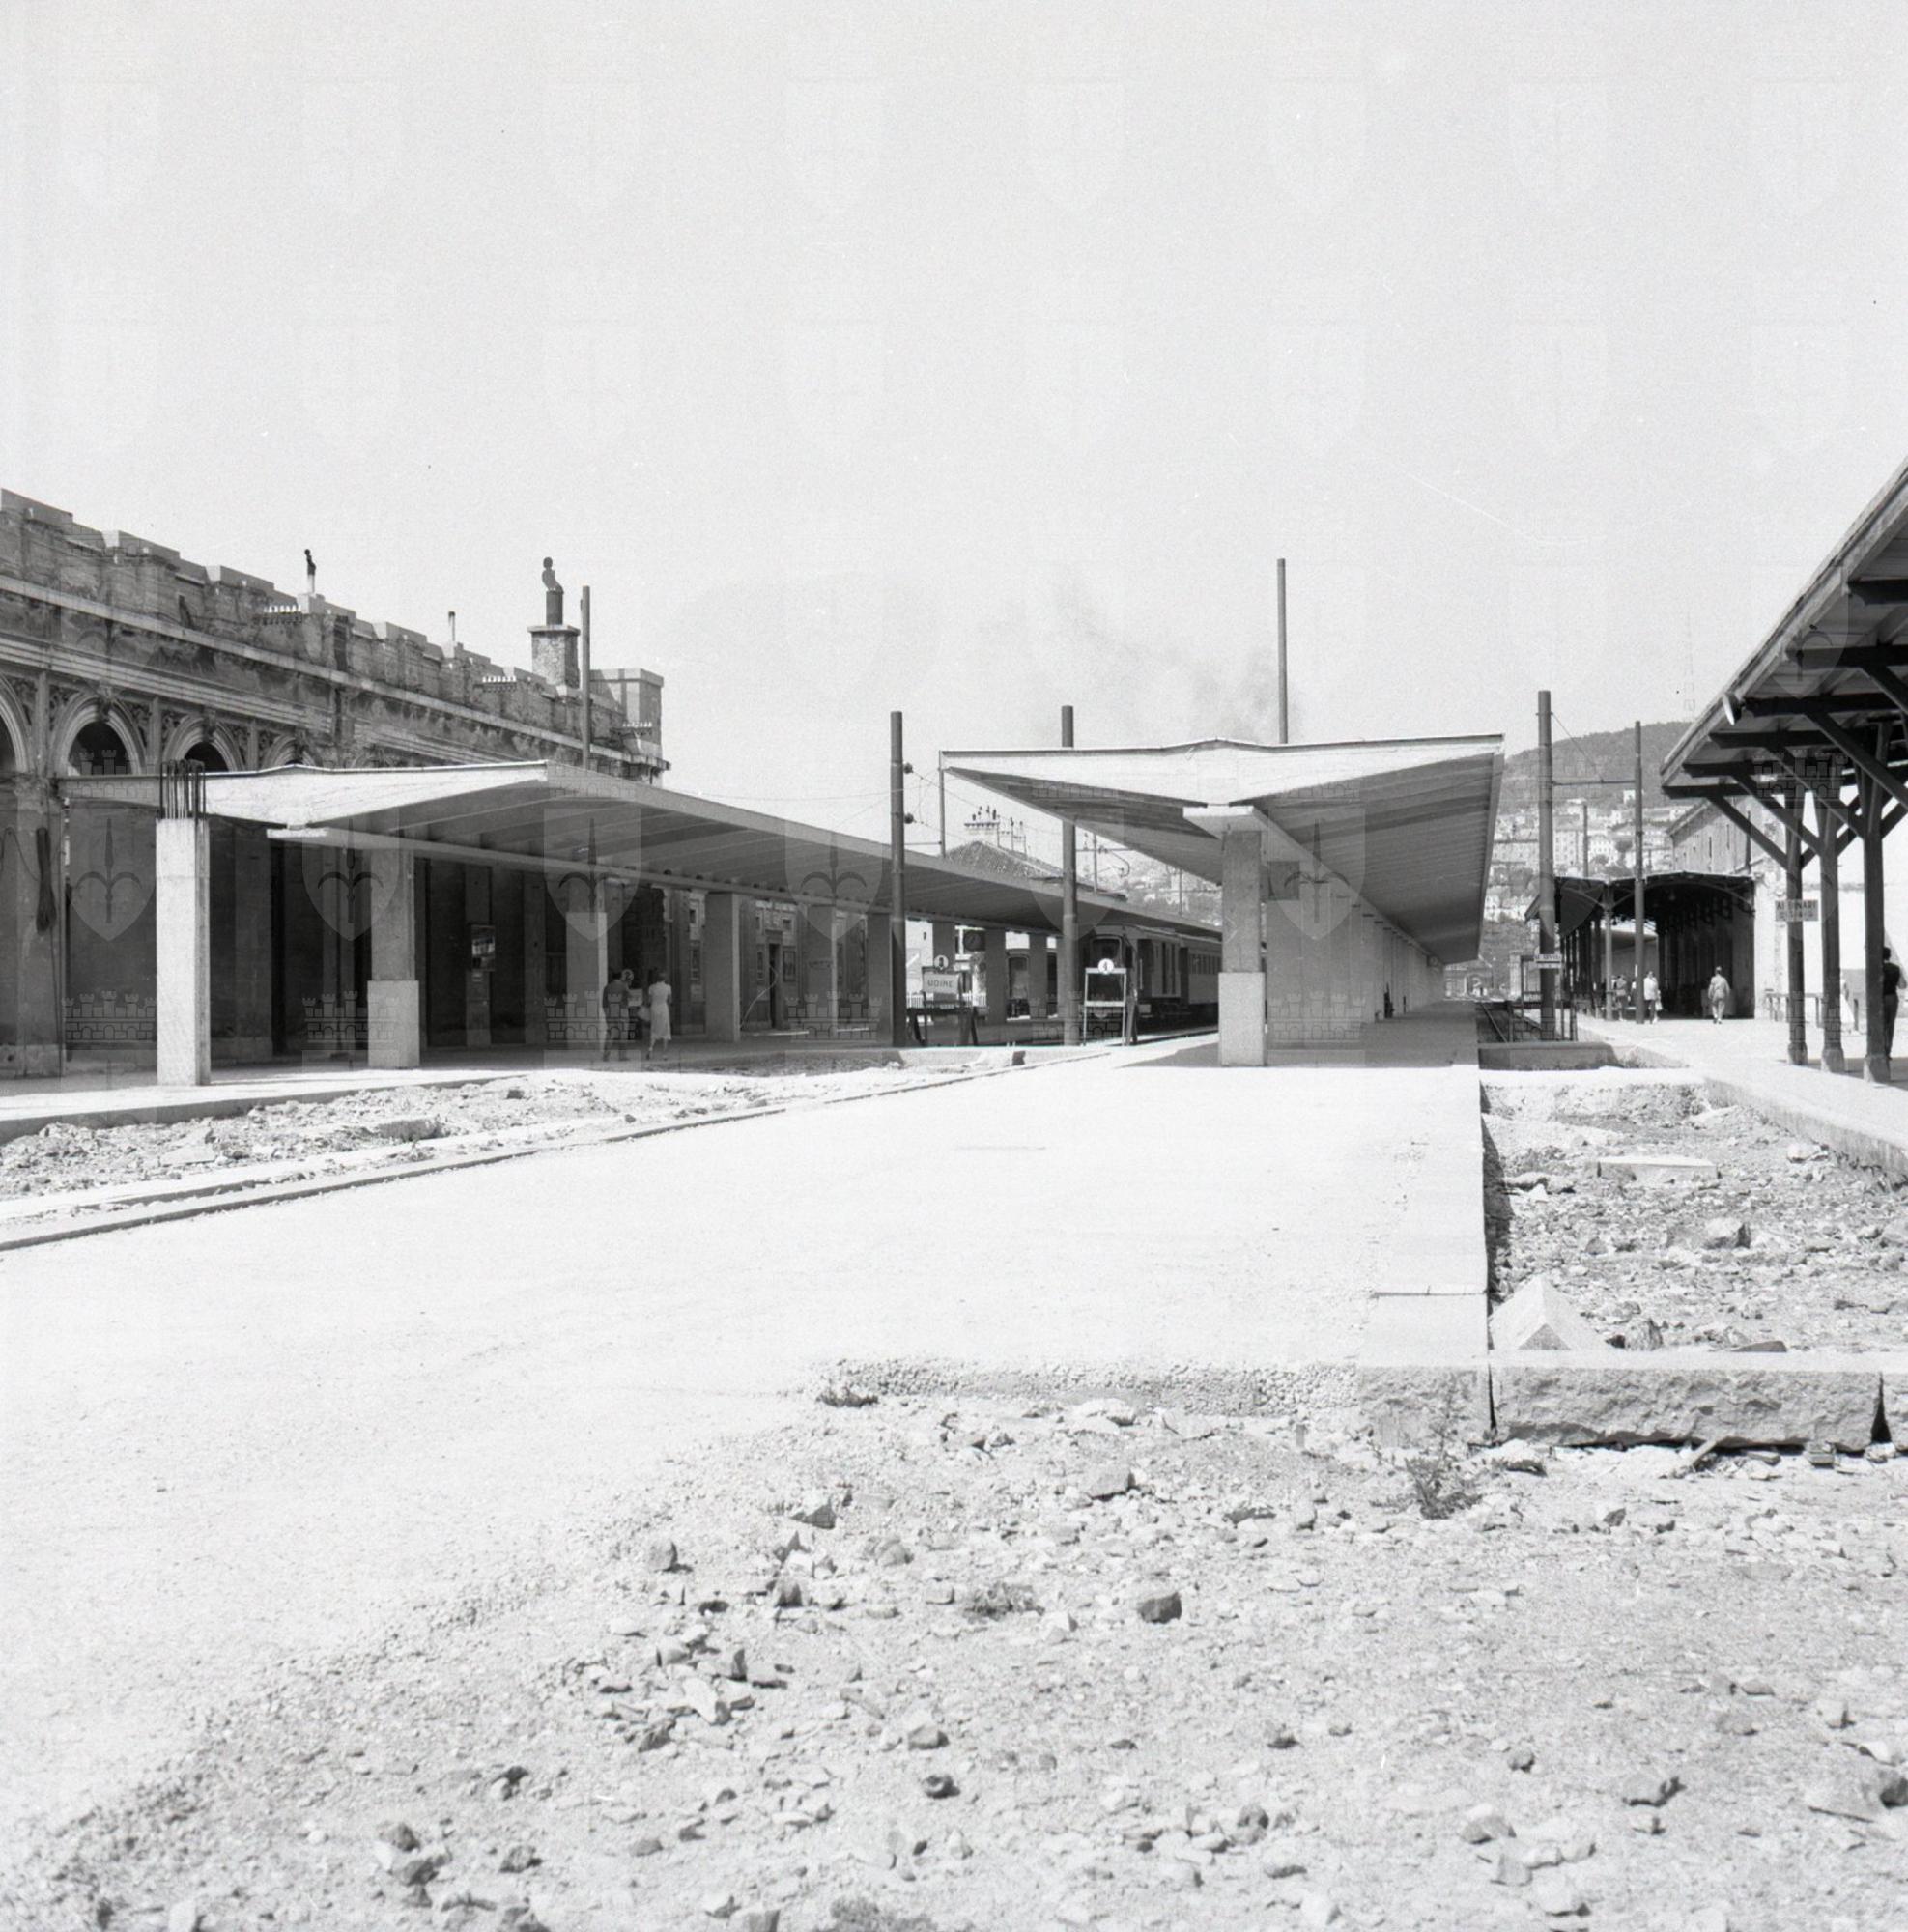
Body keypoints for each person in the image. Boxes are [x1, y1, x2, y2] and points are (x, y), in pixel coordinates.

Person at [601, 966, 633, 1061]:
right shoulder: (623, 986)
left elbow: (604, 1003)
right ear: (621, 977)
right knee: (623, 1034)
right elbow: (630, 996)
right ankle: (622, 1056)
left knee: (610, 1033)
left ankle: (606, 1055)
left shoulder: (607, 987)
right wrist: (627, 984)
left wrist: (607, 1014)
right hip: (622, 1012)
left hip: (610, 1012)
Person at [645, 968, 673, 1060]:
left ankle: (650, 1050)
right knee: (665, 1030)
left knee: (654, 1029)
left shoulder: (651, 987)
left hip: (654, 1008)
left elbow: (649, 1001)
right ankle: (664, 1054)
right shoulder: (668, 988)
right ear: (664, 978)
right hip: (663, 1008)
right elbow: (670, 1001)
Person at [1884, 946, 1902, 1056]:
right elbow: (1902, 985)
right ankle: (1888, 1049)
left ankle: (1880, 1048)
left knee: (1881, 1024)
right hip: (1892, 997)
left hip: (1880, 998)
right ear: (1889, 956)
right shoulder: (1896, 968)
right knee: (1890, 1024)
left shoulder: (1877, 969)